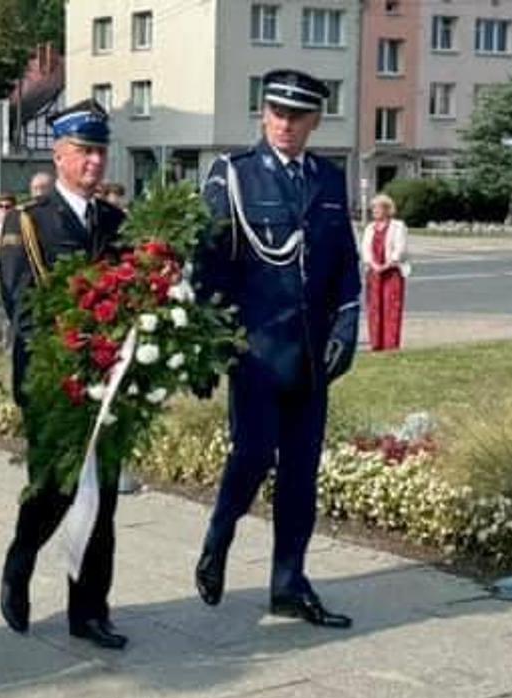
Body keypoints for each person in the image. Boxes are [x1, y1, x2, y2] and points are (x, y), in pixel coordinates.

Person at [192, 69, 360, 629]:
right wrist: (209, 345)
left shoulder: (328, 180)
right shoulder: (235, 175)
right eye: (277, 113)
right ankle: (219, 535)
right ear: (263, 114)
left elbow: (345, 264)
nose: (285, 125)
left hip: (311, 356)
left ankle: (289, 583)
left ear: (315, 121)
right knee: (253, 456)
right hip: (257, 353)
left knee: (301, 475)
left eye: (297, 116)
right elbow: (209, 266)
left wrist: (346, 327)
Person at [0, 100, 132, 650]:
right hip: (53, 380)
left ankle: (90, 610)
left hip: (111, 382)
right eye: (84, 151)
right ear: (58, 156)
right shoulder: (28, 221)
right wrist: (73, 355)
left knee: (103, 498)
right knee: (55, 487)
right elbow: (21, 303)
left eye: (100, 151)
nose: (94, 161)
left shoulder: (116, 223)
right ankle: (21, 557)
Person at [360, 194, 410, 352]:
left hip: (392, 272)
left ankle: (391, 344)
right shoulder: (370, 228)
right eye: (373, 208)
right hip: (374, 273)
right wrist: (373, 264)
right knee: (374, 307)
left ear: (387, 209)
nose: (374, 210)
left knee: (391, 307)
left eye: (378, 207)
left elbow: (400, 249)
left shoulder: (398, 226)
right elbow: (365, 249)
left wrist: (388, 264)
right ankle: (376, 343)